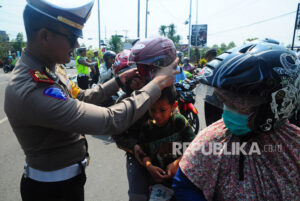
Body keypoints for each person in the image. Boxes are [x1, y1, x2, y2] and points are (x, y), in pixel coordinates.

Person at [4, 1, 178, 201]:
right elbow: (110, 120)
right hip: (51, 190)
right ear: (44, 36)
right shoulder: (32, 87)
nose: (77, 45)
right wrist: (156, 85)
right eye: (71, 37)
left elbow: (82, 98)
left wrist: (119, 81)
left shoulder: (50, 69)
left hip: (66, 182)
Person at [172, 42, 300, 200]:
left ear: (280, 101)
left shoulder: (294, 145)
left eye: (239, 105)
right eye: (225, 101)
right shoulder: (212, 138)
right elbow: (184, 184)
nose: (228, 110)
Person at [203, 48, 223, 126]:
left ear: (210, 56)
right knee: (218, 119)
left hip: (210, 96)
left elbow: (203, 78)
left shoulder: (209, 65)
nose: (207, 59)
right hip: (221, 96)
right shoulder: (222, 63)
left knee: (209, 120)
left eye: (207, 57)